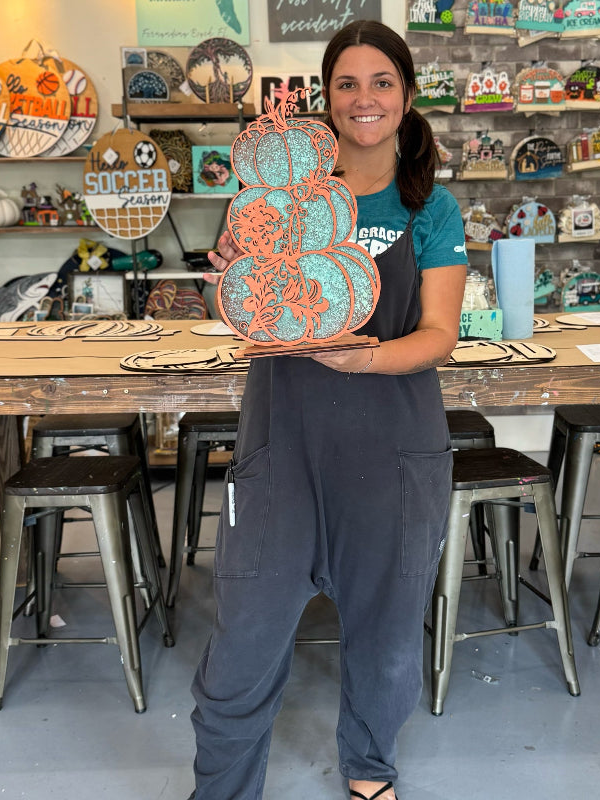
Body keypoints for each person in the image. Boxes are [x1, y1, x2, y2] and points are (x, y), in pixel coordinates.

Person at [190, 19, 468, 800]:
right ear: (325, 97)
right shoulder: (269, 201)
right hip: (280, 448)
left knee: (384, 635)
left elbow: (439, 335)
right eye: (346, 83)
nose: (364, 98)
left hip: (394, 453)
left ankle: (369, 768)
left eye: (382, 81)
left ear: (407, 97)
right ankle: (220, 788)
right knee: (244, 636)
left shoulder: (432, 209)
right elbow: (241, 315)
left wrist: (367, 354)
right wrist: (229, 290)